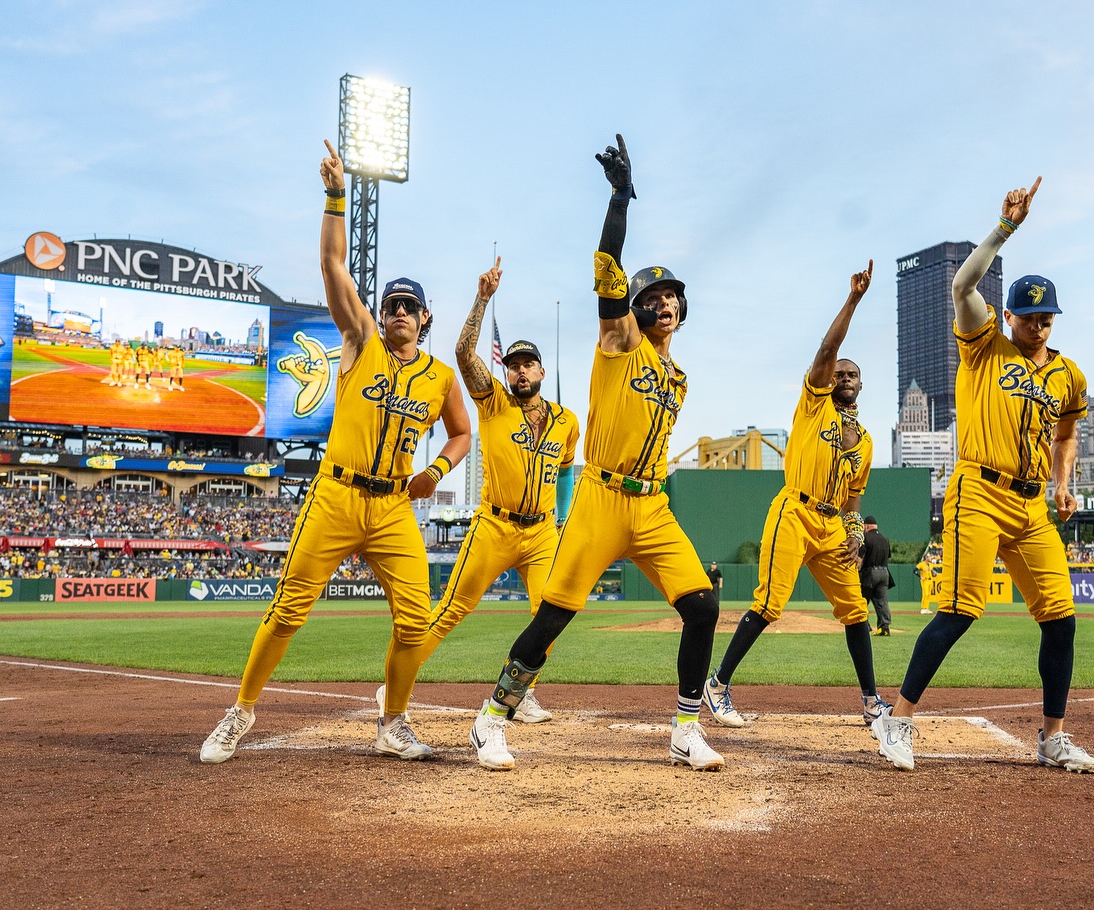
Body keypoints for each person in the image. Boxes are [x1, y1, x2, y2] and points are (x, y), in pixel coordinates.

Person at [199, 138, 472, 764]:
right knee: (288, 612)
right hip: (337, 495)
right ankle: (240, 711)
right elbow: (332, 265)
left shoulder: (439, 377)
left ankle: (393, 721)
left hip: (393, 507)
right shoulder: (361, 340)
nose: (398, 312)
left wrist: (437, 468)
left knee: (416, 620)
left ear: (425, 318)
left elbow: (462, 433)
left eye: (409, 306)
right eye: (392, 304)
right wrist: (335, 196)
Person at [469, 133, 722, 771]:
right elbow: (608, 264)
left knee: (703, 606)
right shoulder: (619, 344)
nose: (664, 302)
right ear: (633, 310)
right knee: (555, 615)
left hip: (652, 505)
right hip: (601, 497)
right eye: (651, 297)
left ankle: (686, 728)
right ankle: (492, 717)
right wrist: (620, 199)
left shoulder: (677, 377)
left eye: (672, 296)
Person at [872, 177, 1094, 773]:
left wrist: (1063, 483)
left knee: (1061, 619)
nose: (1039, 325)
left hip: (1031, 506)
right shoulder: (984, 346)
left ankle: (1052, 738)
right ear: (1010, 315)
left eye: (1047, 317)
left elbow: (1067, 434)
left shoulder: (1070, 375)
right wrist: (1005, 229)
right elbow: (961, 285)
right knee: (959, 610)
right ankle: (897, 721)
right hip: (978, 491)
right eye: (1029, 316)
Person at [375, 260, 581, 726]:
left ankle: (518, 692)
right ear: (506, 373)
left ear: (541, 370)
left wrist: (564, 517)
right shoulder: (494, 403)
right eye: (513, 366)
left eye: (527, 364)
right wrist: (483, 298)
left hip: (542, 533)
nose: (520, 372)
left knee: (551, 614)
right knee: (451, 609)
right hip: (495, 525)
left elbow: (567, 470)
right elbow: (464, 352)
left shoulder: (567, 421)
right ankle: (395, 685)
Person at [704, 263, 885, 729]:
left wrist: (855, 533)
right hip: (795, 510)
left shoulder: (865, 440)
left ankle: (871, 702)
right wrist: (853, 301)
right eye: (839, 371)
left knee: (856, 611)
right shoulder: (814, 405)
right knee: (769, 604)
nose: (844, 375)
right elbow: (827, 350)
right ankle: (717, 684)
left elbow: (854, 496)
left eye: (852, 373)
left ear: (861, 384)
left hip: (831, 526)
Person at [860, 516, 892, 636]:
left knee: (862, 600)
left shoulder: (865, 537)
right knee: (882, 601)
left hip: (870, 572)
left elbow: (859, 558)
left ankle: (864, 626)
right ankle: (884, 628)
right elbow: (888, 556)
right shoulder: (885, 539)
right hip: (884, 572)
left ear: (867, 526)